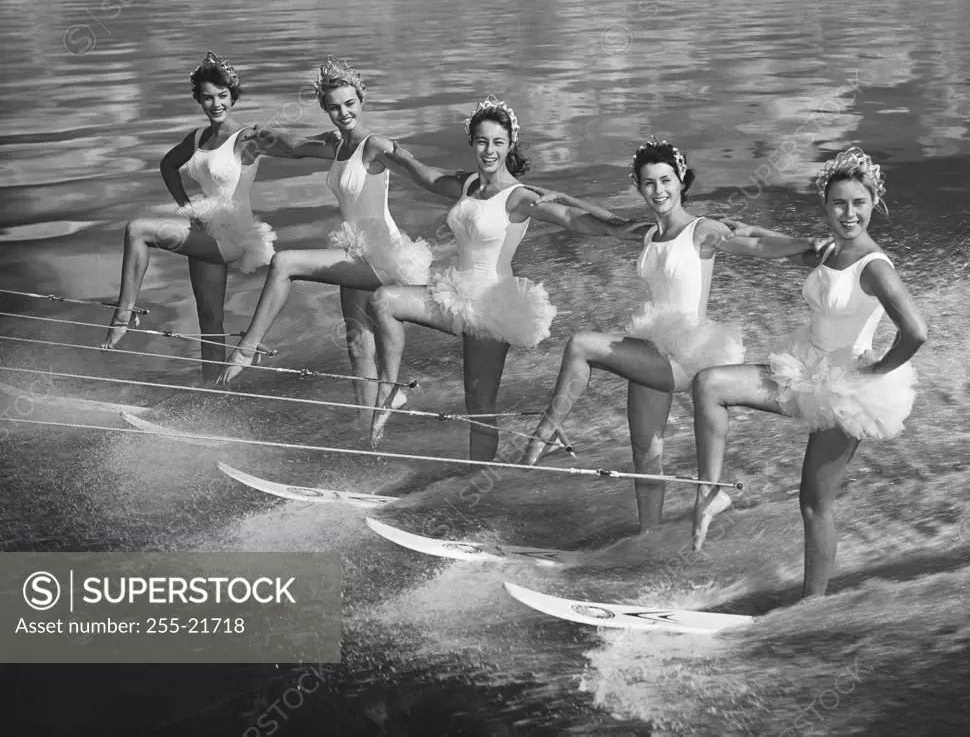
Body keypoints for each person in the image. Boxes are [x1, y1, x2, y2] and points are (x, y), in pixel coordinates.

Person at [516, 138, 825, 532]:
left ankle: (547, 430)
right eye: (648, 183)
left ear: (681, 181)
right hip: (651, 346)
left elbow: (757, 243)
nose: (658, 191)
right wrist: (566, 199)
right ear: (639, 186)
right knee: (646, 453)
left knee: (581, 344)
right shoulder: (648, 233)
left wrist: (807, 245)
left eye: (666, 180)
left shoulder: (701, 231)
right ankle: (649, 536)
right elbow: (604, 222)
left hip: (686, 353)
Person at [690, 147, 927, 597]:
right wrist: (734, 227)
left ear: (873, 202)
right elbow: (768, 241)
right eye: (839, 203)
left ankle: (811, 607)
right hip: (804, 370)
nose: (849, 213)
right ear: (825, 205)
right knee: (709, 384)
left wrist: (879, 368)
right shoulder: (830, 248)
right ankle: (714, 490)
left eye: (858, 202)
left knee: (815, 503)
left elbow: (916, 332)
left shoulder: (874, 266)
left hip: (847, 393)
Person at [368, 95, 652, 460]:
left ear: (509, 145)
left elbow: (572, 219)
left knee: (480, 407)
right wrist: (391, 150)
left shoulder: (518, 197)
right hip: (452, 293)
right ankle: (391, 390)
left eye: (498, 142)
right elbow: (426, 175)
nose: (489, 150)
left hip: (491, 306)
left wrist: (621, 228)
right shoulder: (469, 183)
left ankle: (478, 484)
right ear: (472, 141)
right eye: (482, 141)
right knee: (383, 300)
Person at [216, 57, 432, 422]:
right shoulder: (336, 145)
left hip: (381, 256)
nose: (343, 112)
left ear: (361, 100)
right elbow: (298, 146)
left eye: (350, 104)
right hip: (353, 252)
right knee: (357, 345)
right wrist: (261, 134)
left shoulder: (374, 146)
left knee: (284, 263)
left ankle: (248, 346)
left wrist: (472, 185)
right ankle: (369, 429)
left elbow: (422, 175)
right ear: (326, 109)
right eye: (334, 107)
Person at [100, 51, 288, 382]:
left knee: (137, 230)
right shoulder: (199, 138)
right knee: (210, 319)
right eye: (207, 97)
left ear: (233, 95)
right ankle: (214, 393)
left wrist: (332, 145)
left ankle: (124, 314)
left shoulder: (245, 137)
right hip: (204, 231)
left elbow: (292, 149)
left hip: (230, 237)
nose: (215, 104)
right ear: (199, 99)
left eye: (222, 95)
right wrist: (186, 206)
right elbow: (168, 165)